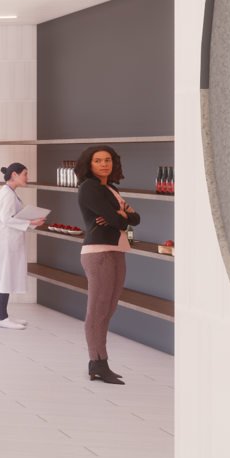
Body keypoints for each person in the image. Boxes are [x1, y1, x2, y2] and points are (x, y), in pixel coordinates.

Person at [77, 145, 138, 385]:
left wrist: (123, 216)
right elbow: (120, 221)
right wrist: (122, 216)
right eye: (98, 160)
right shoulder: (89, 187)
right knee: (97, 312)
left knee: (108, 309)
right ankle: (99, 363)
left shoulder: (110, 188)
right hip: (98, 253)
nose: (104, 164)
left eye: (108, 160)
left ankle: (97, 363)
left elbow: (135, 219)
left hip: (116, 252)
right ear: (88, 165)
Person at [0, 163, 47, 329]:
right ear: (14, 174)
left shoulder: (9, 192)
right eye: (25, 174)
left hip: (8, 240)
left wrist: (29, 221)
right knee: (3, 276)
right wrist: (31, 222)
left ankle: (4, 315)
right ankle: (1, 318)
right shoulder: (8, 194)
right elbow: (6, 218)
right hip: (6, 241)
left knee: (5, 275)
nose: (27, 178)